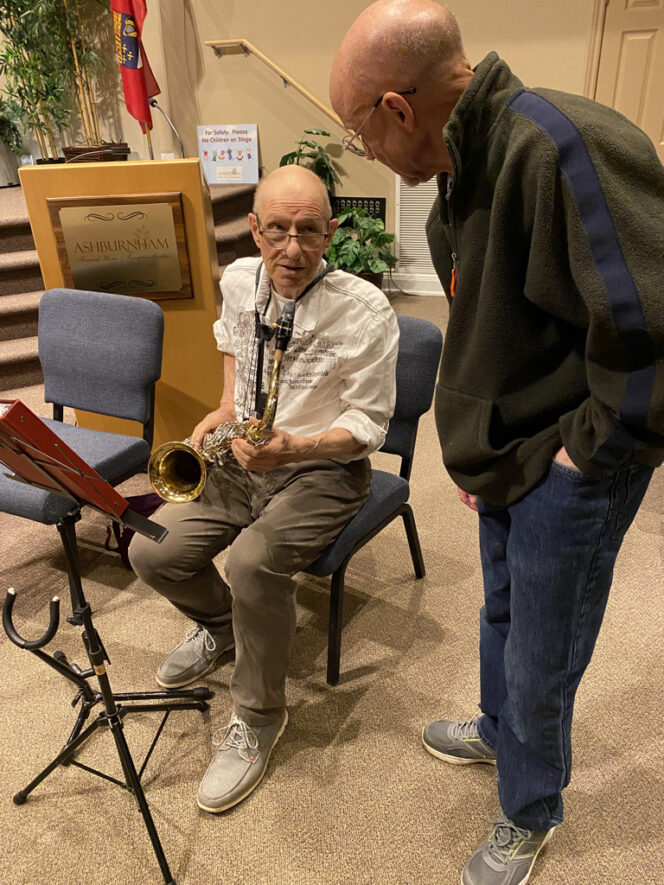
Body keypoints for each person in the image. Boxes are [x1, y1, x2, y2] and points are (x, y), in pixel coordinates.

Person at [331, 2, 664, 884]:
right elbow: (500, 328)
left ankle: (530, 807)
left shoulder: (561, 146)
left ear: (398, 107)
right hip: (507, 455)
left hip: (570, 464)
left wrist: (585, 455)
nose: (365, 150)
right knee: (502, 616)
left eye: (360, 131)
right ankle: (499, 727)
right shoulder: (462, 163)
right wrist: (481, 443)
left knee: (543, 651)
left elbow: (651, 330)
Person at [129, 164, 400, 813]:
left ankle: (258, 715)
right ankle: (222, 626)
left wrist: (296, 447)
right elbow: (233, 345)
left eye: (309, 231)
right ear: (254, 229)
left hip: (324, 467)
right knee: (151, 548)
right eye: (277, 229)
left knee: (252, 562)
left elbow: (370, 425)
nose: (292, 248)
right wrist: (225, 410)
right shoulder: (239, 281)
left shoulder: (366, 311)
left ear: (331, 231)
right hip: (242, 455)